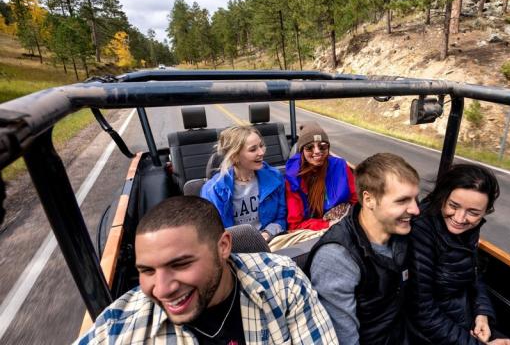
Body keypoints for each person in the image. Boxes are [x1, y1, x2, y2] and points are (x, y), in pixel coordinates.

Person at [75, 196, 338, 345]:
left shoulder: (282, 280)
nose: (163, 288)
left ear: (223, 246)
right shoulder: (119, 329)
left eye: (179, 264)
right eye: (147, 271)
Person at [306, 153, 420, 345]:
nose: (415, 210)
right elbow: (345, 339)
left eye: (416, 199)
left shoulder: (403, 231)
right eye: (402, 201)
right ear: (369, 200)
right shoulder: (337, 258)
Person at [406, 164, 510, 345]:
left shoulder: (470, 229)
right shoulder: (421, 231)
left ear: (485, 212)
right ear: (443, 198)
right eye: (453, 206)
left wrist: (482, 314)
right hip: (429, 334)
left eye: (473, 212)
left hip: (462, 318)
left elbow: (474, 273)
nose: (460, 218)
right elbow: (422, 312)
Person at [201, 125, 286, 242]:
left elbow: (281, 218)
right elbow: (213, 232)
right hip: (234, 248)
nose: (261, 152)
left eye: (261, 146)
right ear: (235, 156)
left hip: (271, 241)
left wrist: (267, 234)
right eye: (253, 149)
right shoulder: (213, 190)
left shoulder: (275, 178)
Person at [285, 122, 358, 231]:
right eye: (309, 148)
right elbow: (295, 225)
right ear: (302, 151)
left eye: (322, 147)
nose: (317, 152)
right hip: (316, 230)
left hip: (346, 222)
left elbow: (356, 199)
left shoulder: (341, 166)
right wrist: (327, 225)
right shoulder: (294, 178)